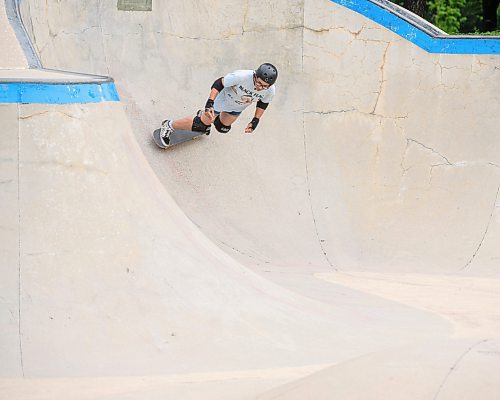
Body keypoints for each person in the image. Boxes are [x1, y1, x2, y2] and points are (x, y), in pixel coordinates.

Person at [156, 63, 278, 147]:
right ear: (255, 76)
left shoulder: (270, 90)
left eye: (264, 86)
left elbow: (263, 103)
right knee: (201, 124)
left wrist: (255, 120)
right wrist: (210, 103)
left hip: (236, 109)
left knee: (222, 128)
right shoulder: (242, 76)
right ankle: (169, 125)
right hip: (221, 101)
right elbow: (219, 83)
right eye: (258, 83)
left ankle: (205, 118)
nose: (259, 88)